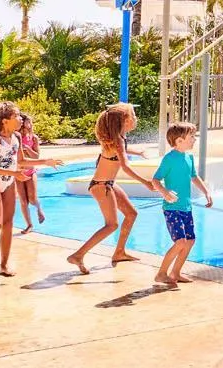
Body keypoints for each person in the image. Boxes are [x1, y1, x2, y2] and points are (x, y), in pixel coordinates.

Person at [0, 102, 62, 278]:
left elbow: (21, 161)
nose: (21, 119)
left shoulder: (17, 137)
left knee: (8, 224)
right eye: (17, 116)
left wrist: (45, 162)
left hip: (8, 183)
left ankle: (4, 265)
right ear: (4, 121)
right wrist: (14, 173)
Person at [66, 105, 158, 275]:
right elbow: (125, 166)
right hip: (102, 186)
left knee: (131, 214)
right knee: (111, 225)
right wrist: (145, 182)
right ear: (125, 120)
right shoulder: (117, 141)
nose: (136, 118)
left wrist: (137, 152)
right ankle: (78, 255)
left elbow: (119, 150)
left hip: (107, 184)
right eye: (133, 115)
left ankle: (119, 252)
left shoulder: (116, 139)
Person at [150, 121, 212, 288]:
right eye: (191, 136)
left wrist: (206, 191)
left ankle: (175, 272)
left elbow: (194, 177)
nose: (194, 139)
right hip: (172, 208)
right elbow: (155, 180)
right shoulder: (169, 159)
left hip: (186, 207)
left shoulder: (189, 157)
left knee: (190, 240)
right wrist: (165, 192)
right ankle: (161, 273)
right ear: (179, 141)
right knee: (180, 242)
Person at [15, 112, 45, 233]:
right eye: (28, 122)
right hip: (18, 172)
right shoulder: (15, 137)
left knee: (32, 199)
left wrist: (27, 148)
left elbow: (36, 156)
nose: (31, 124)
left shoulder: (33, 138)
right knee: (23, 201)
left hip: (31, 171)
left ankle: (39, 209)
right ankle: (29, 225)